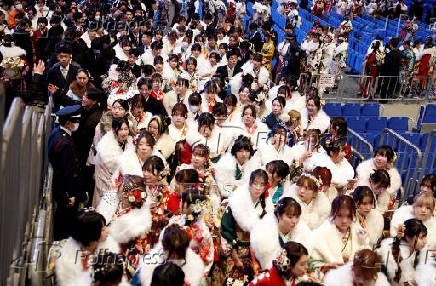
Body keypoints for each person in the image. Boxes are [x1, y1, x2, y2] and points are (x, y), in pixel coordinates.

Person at [221, 169, 274, 284]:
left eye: (262, 184)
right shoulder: (237, 202)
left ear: (266, 187)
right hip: (236, 248)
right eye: (255, 183)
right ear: (249, 183)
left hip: (257, 252)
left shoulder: (267, 205)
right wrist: (234, 255)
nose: (258, 188)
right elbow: (227, 229)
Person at [54, 210, 119, 286]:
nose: (107, 230)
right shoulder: (70, 262)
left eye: (105, 227)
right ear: (91, 234)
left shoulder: (108, 247)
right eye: (103, 230)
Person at [48, 105, 82, 241]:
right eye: (76, 121)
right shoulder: (64, 144)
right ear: (68, 123)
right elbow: (65, 173)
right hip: (65, 192)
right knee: (65, 224)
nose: (77, 124)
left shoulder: (57, 133)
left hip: (62, 188)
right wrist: (69, 196)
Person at [251, 197, 312, 270]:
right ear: (279, 216)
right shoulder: (264, 233)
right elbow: (269, 265)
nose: (294, 221)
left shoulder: (302, 232)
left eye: (297, 217)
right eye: (290, 217)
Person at [134, 224, 205, 286]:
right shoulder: (150, 262)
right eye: (173, 252)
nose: (176, 256)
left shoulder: (194, 265)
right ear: (164, 247)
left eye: (179, 252)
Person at [311, 195, 369, 265]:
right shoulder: (321, 233)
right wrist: (327, 265)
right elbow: (313, 262)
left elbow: (368, 260)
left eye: (348, 216)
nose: (344, 221)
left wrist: (363, 242)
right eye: (339, 215)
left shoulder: (358, 231)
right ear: (333, 213)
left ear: (353, 215)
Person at [377, 218, 435, 285]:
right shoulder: (391, 256)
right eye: (421, 238)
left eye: (425, 237)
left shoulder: (419, 251)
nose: (425, 241)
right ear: (408, 238)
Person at [93, 117, 134, 206]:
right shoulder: (104, 150)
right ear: (113, 130)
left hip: (125, 190)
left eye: (126, 129)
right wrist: (117, 190)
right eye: (120, 129)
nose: (124, 132)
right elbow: (101, 176)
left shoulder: (130, 144)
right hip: (108, 191)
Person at [356, 145, 401, 213]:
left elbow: (390, 198)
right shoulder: (365, 170)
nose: (379, 158)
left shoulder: (392, 176)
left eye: (383, 156)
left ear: (389, 159)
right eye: (377, 155)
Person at [324, 249, 390, 286]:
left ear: (374, 275)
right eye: (358, 275)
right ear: (352, 268)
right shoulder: (337, 281)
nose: (360, 281)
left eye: (366, 278)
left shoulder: (380, 282)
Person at [47, 44, 80, 110]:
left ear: (70, 57)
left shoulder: (76, 70)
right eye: (61, 57)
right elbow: (50, 86)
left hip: (72, 100)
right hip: (57, 100)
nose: (64, 59)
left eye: (66, 56)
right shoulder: (52, 70)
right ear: (57, 57)